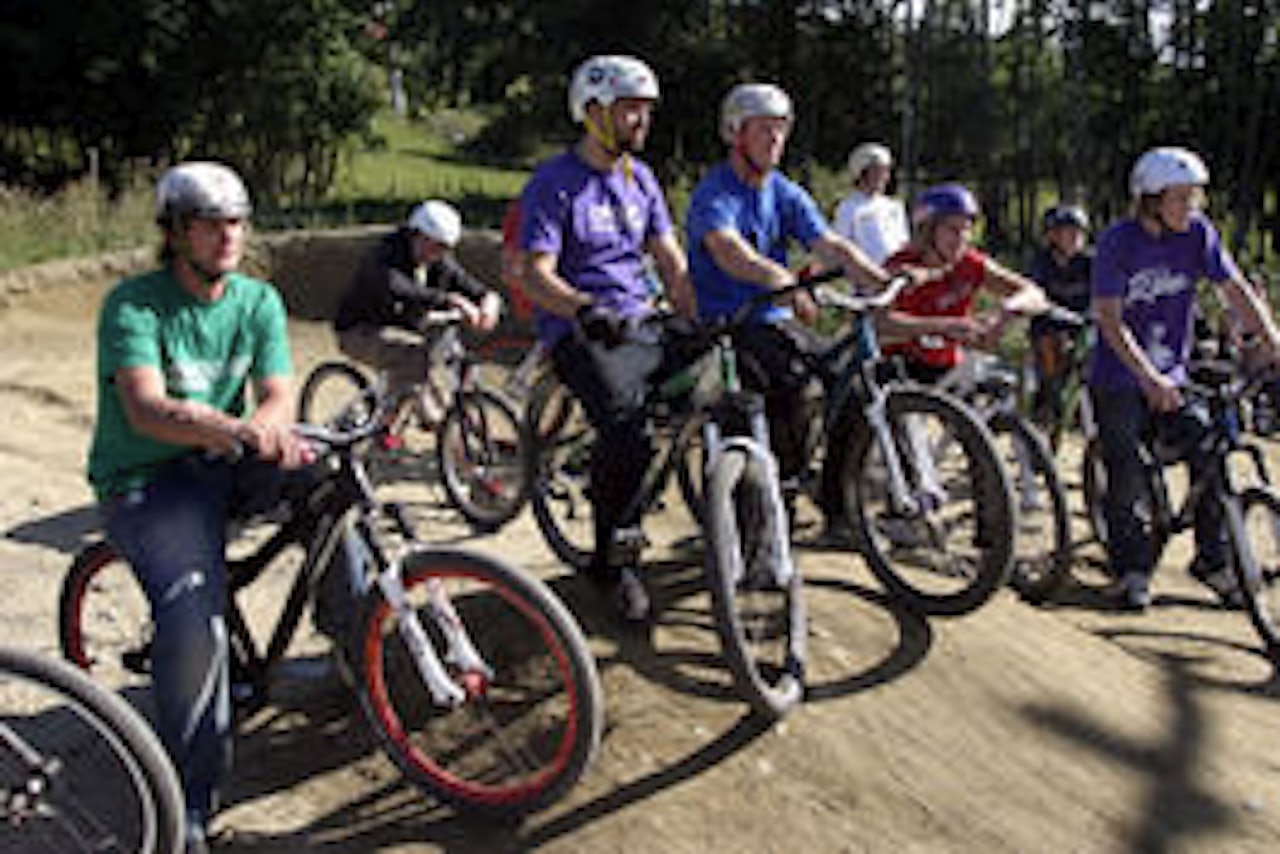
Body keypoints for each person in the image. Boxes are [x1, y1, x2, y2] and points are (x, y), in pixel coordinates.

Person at [87, 161, 361, 852]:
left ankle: (357, 651)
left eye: (236, 222)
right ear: (175, 233)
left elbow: (276, 392)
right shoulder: (134, 304)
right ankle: (189, 805)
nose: (227, 236)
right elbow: (147, 410)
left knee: (334, 488)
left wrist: (270, 426)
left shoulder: (258, 302)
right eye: (210, 224)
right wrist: (236, 430)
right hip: (145, 480)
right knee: (193, 615)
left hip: (222, 459)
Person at [519, 54, 696, 623]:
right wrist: (584, 308)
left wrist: (698, 312)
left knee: (730, 387)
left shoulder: (641, 179)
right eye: (630, 110)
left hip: (641, 319)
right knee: (628, 432)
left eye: (646, 110)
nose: (641, 121)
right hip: (581, 328)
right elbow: (534, 274)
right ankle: (612, 563)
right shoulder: (555, 183)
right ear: (592, 112)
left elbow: (669, 260)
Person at [685, 82, 898, 544]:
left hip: (774, 321)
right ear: (735, 134)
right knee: (784, 389)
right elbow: (728, 250)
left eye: (781, 130)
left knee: (857, 379)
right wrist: (780, 280)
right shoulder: (714, 193)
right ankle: (755, 518)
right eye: (764, 130)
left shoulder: (784, 191)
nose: (775, 140)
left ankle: (835, 503)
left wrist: (878, 278)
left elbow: (829, 244)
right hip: (729, 322)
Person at [1089, 146, 1280, 610]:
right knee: (1126, 471)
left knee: (1210, 451)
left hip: (1173, 374)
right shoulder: (1118, 242)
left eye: (1195, 197)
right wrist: (1148, 377)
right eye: (1181, 197)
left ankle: (1211, 560)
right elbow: (1109, 320)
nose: (1191, 207)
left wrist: (1272, 338)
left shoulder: (1197, 234)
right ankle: (1131, 570)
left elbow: (1233, 288)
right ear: (1151, 200)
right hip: (1119, 375)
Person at [334, 199, 501, 435]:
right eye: (436, 247)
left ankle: (423, 412)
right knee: (412, 358)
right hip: (358, 330)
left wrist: (489, 299)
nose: (439, 255)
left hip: (402, 327)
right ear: (417, 235)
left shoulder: (437, 259)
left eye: (444, 249)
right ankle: (386, 424)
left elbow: (466, 284)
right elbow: (398, 287)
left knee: (443, 356)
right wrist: (450, 300)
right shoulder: (384, 254)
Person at [878, 183, 1046, 385]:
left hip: (949, 371)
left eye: (966, 229)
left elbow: (1035, 294)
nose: (961, 238)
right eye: (952, 229)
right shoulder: (899, 266)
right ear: (927, 231)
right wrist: (943, 326)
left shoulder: (969, 263)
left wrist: (1005, 312)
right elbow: (879, 324)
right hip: (902, 371)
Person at [1027, 203, 1094, 439]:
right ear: (1053, 235)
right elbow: (1036, 295)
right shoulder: (1041, 262)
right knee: (1050, 359)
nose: (1076, 237)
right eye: (1069, 231)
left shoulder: (1090, 262)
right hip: (1049, 327)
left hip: (1082, 328)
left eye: (1079, 231)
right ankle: (1044, 407)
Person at [832, 142, 910, 265]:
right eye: (877, 171)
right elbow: (840, 248)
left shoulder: (895, 207)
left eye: (885, 171)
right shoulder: (848, 208)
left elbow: (903, 243)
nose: (883, 177)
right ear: (862, 174)